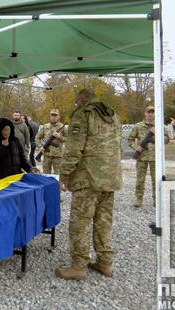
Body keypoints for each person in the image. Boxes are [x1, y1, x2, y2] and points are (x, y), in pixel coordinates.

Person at [55, 89, 122, 280]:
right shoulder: (113, 115)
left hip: (88, 179)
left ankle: (78, 266)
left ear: (82, 100)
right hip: (110, 178)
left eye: (77, 101)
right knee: (104, 221)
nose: (76, 104)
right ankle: (105, 262)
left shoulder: (83, 115)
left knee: (80, 222)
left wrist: (64, 174)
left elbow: (74, 149)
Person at [127, 106, 170, 208]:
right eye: (149, 112)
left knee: (156, 180)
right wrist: (136, 147)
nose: (151, 114)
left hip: (156, 158)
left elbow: (167, 139)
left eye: (152, 112)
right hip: (142, 157)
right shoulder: (138, 126)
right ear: (145, 114)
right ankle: (138, 198)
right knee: (140, 180)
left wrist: (155, 136)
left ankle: (157, 200)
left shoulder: (160, 126)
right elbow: (130, 139)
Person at [0, 118, 33, 182]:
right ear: (0, 130)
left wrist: (30, 168)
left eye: (8, 130)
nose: (6, 132)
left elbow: (22, 159)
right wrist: (3, 147)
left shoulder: (15, 141)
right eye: (4, 130)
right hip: (0, 180)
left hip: (15, 179)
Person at [35, 109, 66, 175]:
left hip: (58, 156)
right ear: (50, 116)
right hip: (46, 155)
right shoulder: (45, 126)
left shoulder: (62, 127)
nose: (53, 117)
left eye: (55, 115)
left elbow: (69, 139)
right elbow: (37, 138)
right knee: (46, 176)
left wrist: (59, 137)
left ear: (59, 116)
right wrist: (40, 147)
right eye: (52, 115)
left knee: (58, 176)